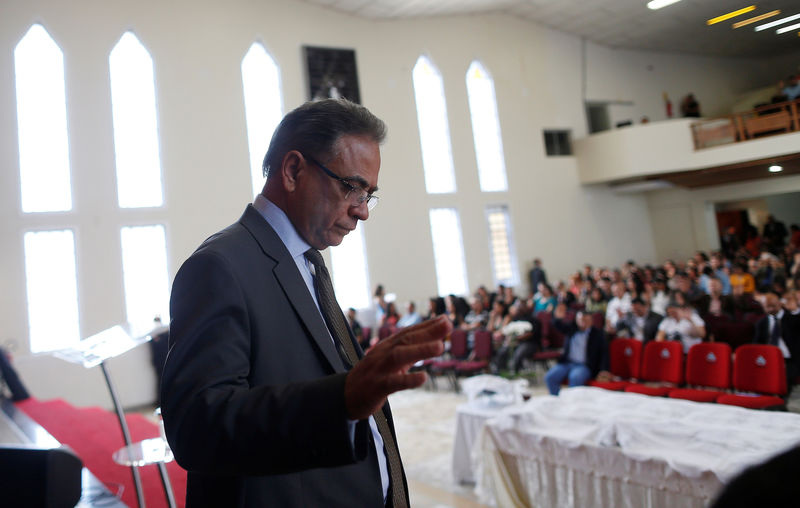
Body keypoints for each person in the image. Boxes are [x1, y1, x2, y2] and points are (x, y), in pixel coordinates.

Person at [160, 99, 452, 508]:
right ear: (293, 170)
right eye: (351, 186)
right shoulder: (220, 267)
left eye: (369, 193)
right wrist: (342, 398)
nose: (363, 211)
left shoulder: (307, 261)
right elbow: (197, 428)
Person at [545, 304, 609, 395]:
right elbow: (558, 325)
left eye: (585, 319)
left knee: (575, 377)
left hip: (584, 365)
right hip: (567, 363)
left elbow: (604, 353)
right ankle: (557, 401)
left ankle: (573, 404)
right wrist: (557, 318)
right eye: (580, 319)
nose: (582, 321)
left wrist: (604, 369)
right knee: (550, 377)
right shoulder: (572, 329)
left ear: (591, 321)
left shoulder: (598, 334)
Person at [754, 292, 800, 394]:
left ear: (779, 304)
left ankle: (782, 400)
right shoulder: (761, 323)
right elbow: (757, 344)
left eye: (773, 306)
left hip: (789, 359)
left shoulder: (793, 318)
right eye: (767, 307)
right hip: (768, 358)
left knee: (784, 377)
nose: (770, 309)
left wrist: (795, 310)